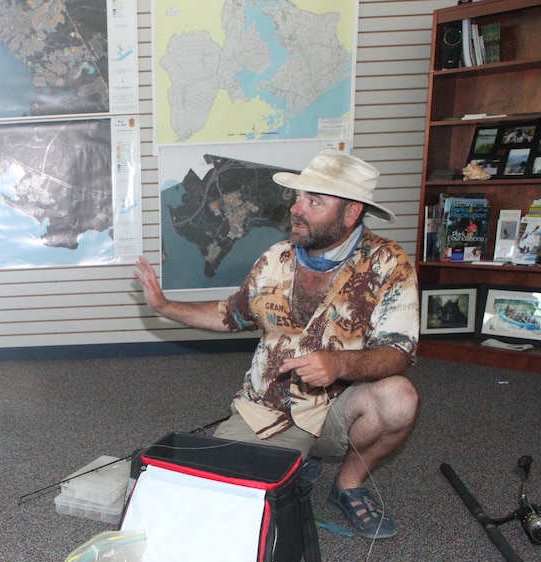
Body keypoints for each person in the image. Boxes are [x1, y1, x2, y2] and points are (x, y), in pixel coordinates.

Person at [133, 150, 419, 539]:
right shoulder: (274, 258)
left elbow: (398, 352)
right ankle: (298, 457)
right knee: (216, 497)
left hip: (342, 407)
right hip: (268, 407)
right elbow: (229, 314)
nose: (296, 209)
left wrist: (340, 365)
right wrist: (165, 306)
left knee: (399, 399)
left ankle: (348, 485)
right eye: (298, 197)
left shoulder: (390, 263)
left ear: (351, 213)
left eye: (313, 201)